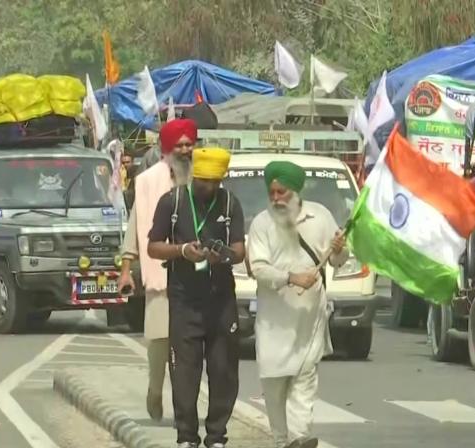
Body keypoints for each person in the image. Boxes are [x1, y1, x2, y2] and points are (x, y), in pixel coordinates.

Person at [147, 147, 246, 448]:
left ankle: (216, 436)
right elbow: (153, 247)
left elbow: (240, 251)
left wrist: (223, 256)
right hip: (184, 300)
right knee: (185, 373)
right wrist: (182, 251)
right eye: (205, 181)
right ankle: (186, 436)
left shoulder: (230, 203)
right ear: (194, 177)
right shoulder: (172, 202)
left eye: (216, 181)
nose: (211, 188)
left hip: (221, 301)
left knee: (223, 370)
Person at [247, 161, 348, 448]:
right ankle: (282, 441)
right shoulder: (261, 224)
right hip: (273, 322)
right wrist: (291, 278)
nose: (277, 198)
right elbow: (259, 269)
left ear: (296, 192)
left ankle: (300, 438)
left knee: (305, 381)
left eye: (283, 192)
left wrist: (340, 250)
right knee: (276, 387)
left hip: (310, 319)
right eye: (272, 192)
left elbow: (338, 260)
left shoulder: (321, 217)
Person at [118, 118, 198, 421]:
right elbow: (135, 226)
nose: (185, 149)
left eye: (189, 143)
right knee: (160, 342)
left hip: (196, 276)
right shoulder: (149, 181)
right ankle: (155, 389)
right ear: (167, 148)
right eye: (179, 144)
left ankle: (183, 405)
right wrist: (127, 268)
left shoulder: (202, 177)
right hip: (160, 276)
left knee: (189, 346)